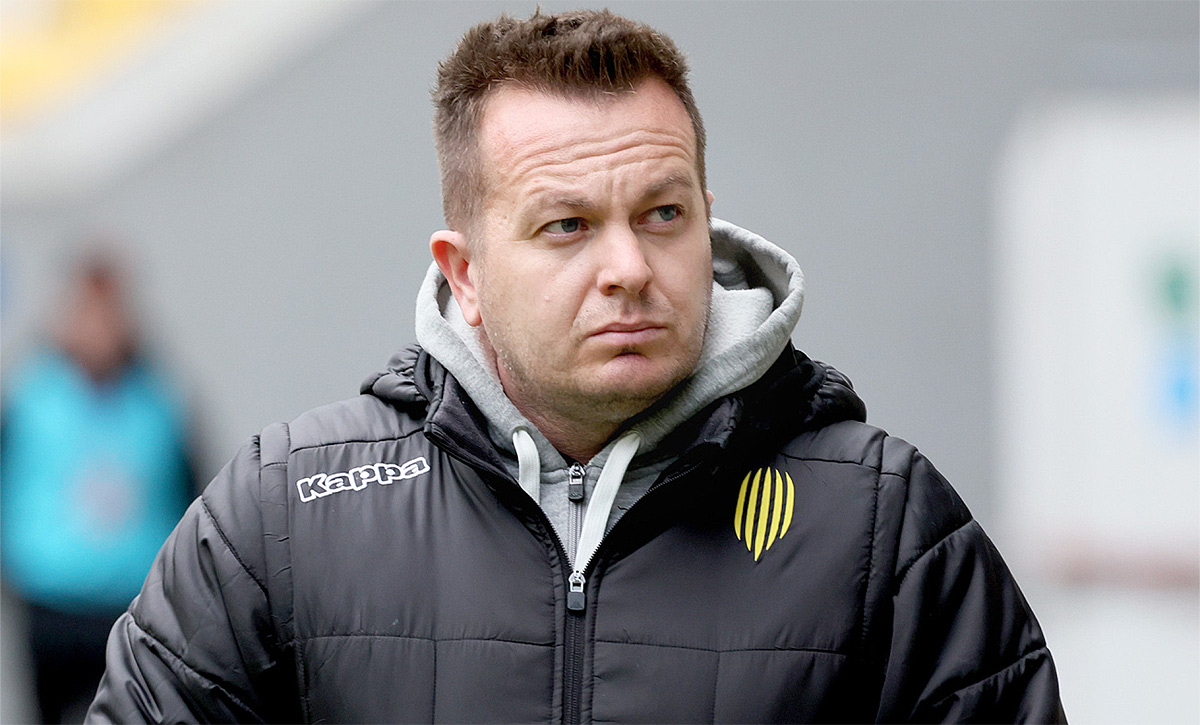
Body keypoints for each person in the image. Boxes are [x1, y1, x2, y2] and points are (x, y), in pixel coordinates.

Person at [87, 10, 1064, 723]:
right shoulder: (288, 514)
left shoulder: (885, 527)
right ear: (465, 273)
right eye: (568, 225)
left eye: (663, 214)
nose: (629, 267)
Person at [2, 251, 198, 723]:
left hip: (130, 609)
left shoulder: (158, 402)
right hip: (48, 605)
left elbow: (194, 498)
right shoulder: (32, 395)